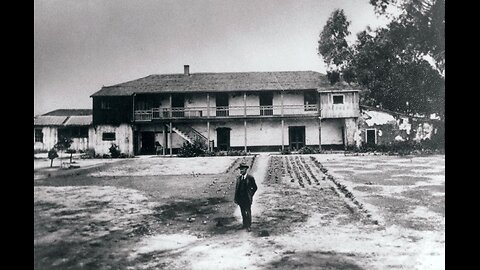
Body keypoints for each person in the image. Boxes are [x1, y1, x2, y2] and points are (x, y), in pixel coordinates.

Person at [234, 162, 257, 232]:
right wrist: (236, 197)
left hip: (247, 198)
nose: (241, 170)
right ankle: (244, 224)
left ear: (246, 169)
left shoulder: (250, 178)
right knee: (242, 211)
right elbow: (237, 188)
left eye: (243, 169)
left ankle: (249, 226)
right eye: (240, 169)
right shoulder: (239, 178)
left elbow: (255, 187)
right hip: (240, 198)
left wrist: (251, 194)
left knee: (248, 211)